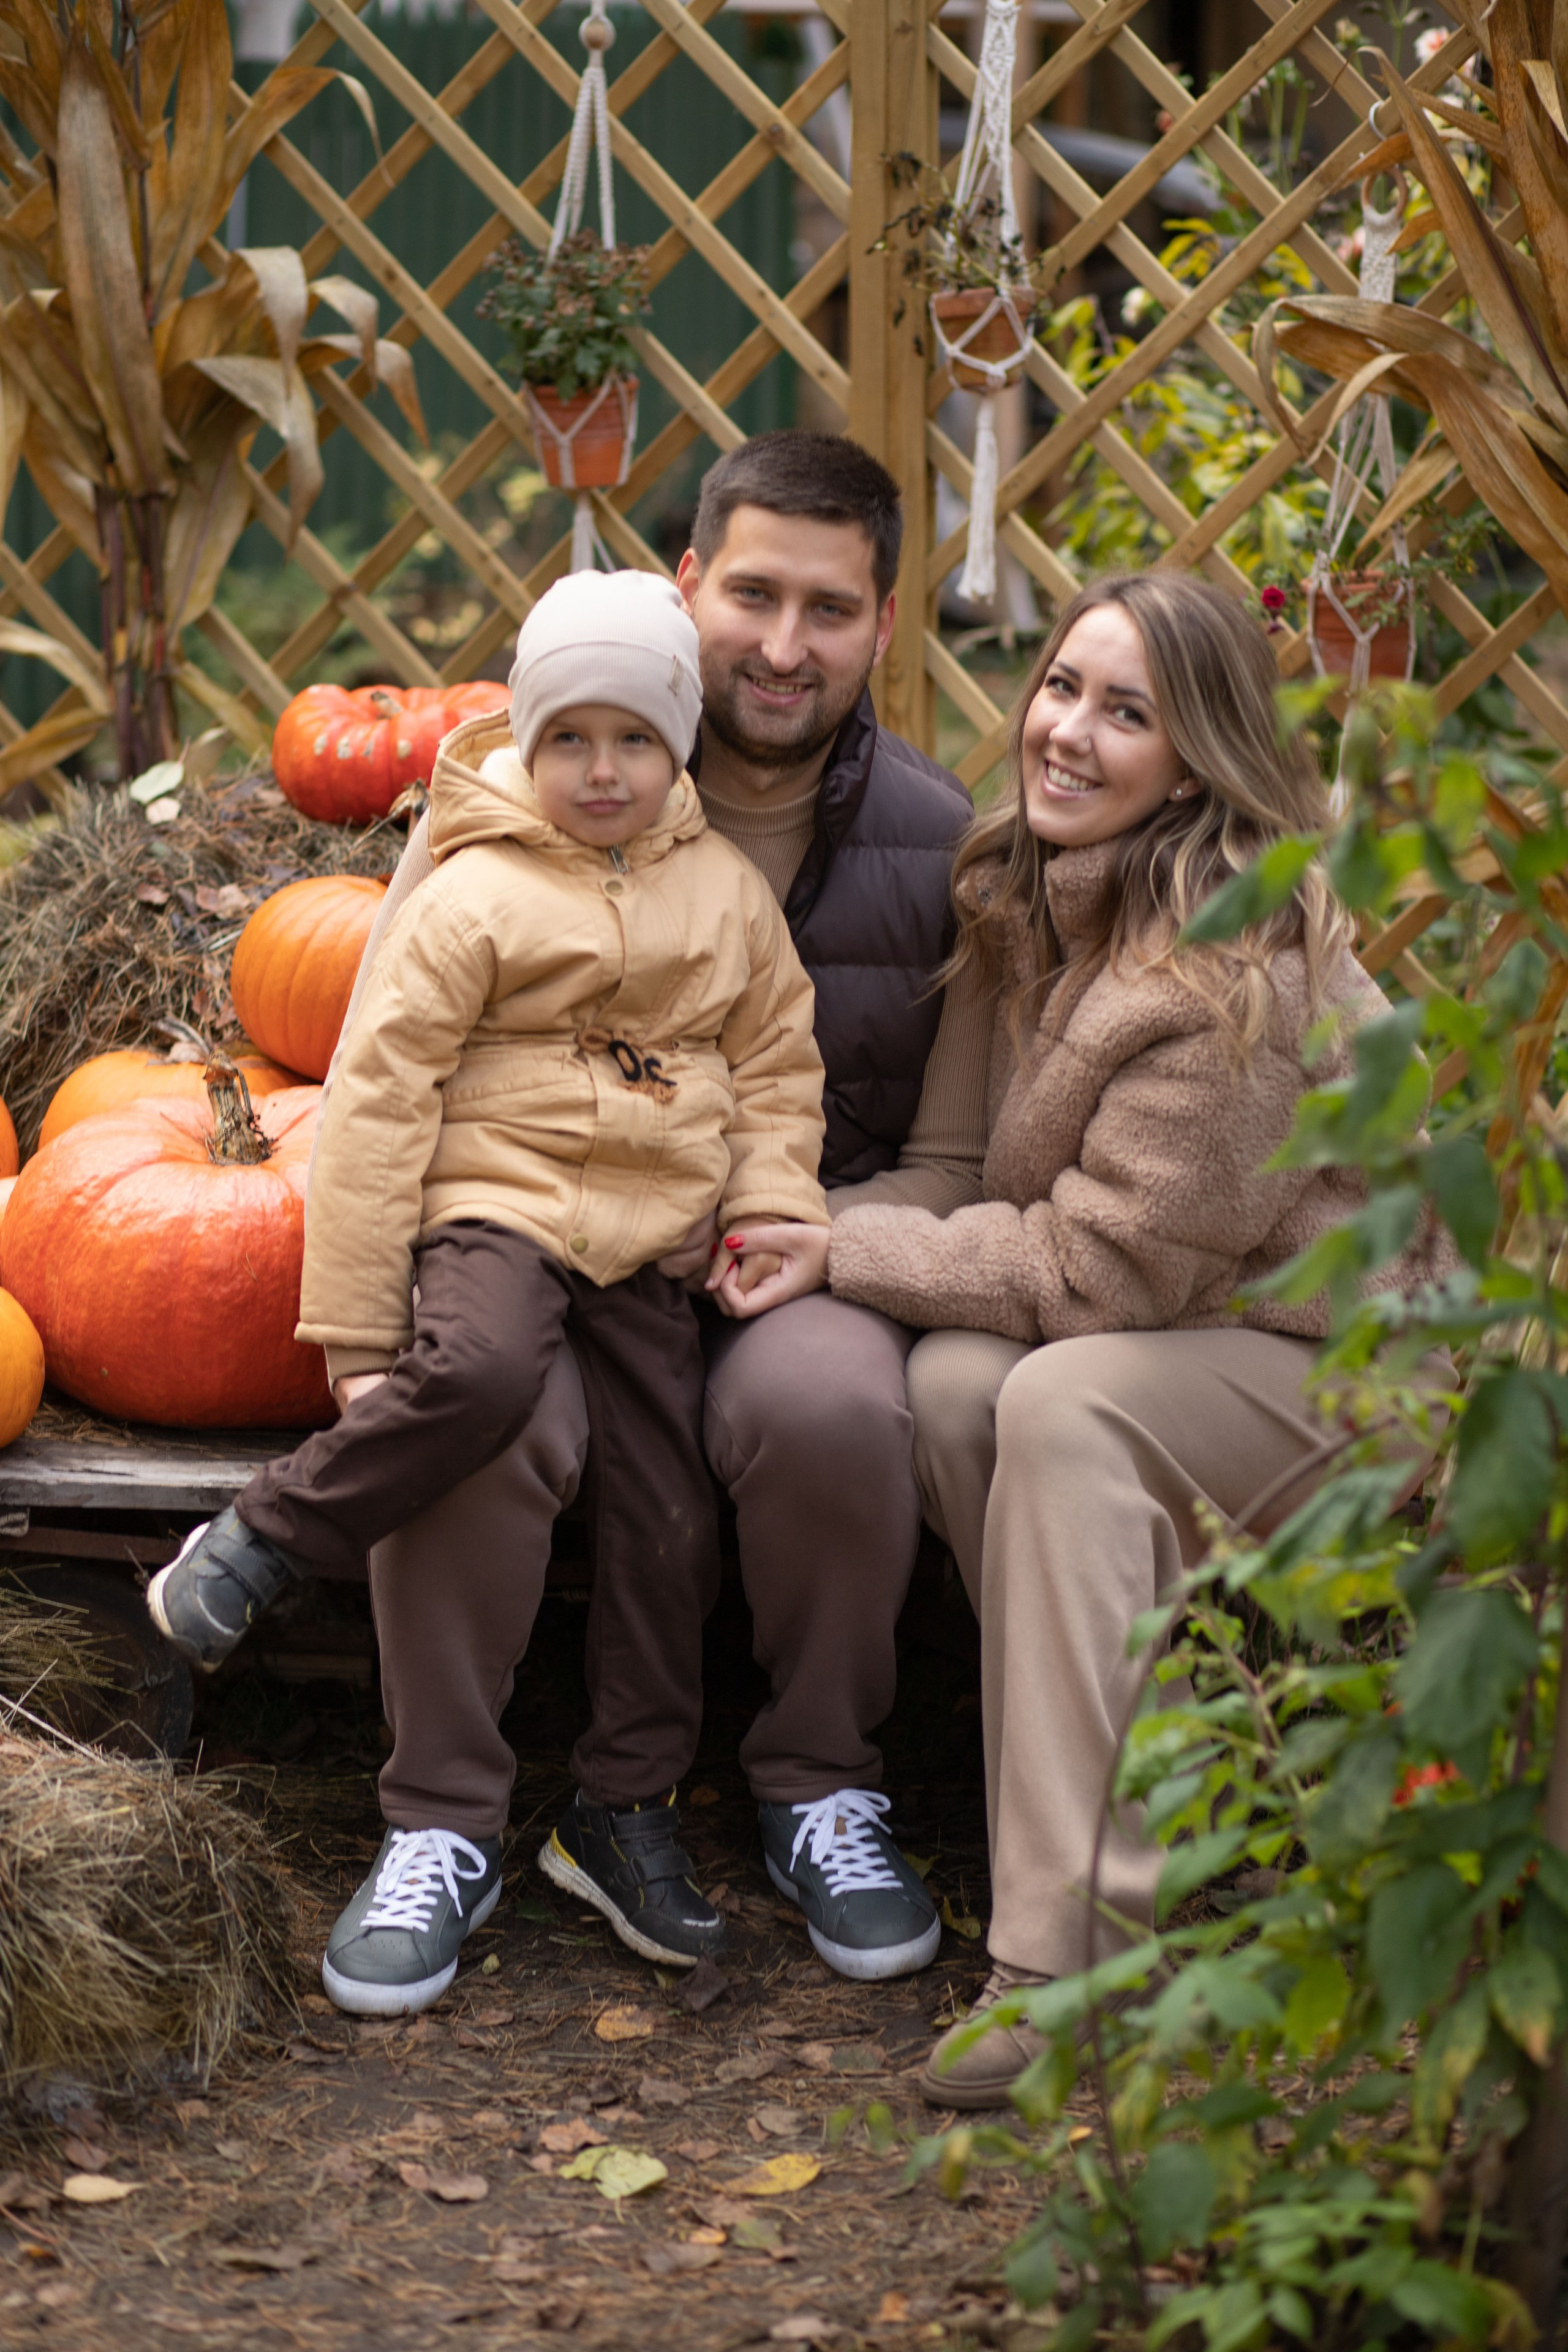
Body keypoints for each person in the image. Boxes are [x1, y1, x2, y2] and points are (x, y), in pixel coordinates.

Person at [714, 569, 1452, 2103]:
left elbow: (1099, 1275)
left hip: (1339, 1365)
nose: (1067, 730)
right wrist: (784, 1218)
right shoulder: (1030, 891)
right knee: (957, 1385)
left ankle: (1066, 1964)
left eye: (1127, 714)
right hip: (1179, 1327)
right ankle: (1166, 1794)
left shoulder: (1231, 972)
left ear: (1193, 764)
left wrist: (843, 1251)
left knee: (1056, 1403)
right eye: (1061, 687)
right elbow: (963, 1175)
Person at [306, 432, 980, 1993]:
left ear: (885, 625)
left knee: (831, 1403)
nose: (783, 644)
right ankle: (441, 1818)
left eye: (829, 609)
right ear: (686, 589)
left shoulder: (937, 847)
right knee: (475, 1404)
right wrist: (360, 1313)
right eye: (752, 594)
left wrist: (793, 1234)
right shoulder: (511, 796)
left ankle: (818, 1785)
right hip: (532, 1239)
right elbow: (376, 1077)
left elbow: (952, 1159)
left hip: (777, 1254)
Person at [149, 568, 831, 2013]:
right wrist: (353, 1328)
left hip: (648, 1239)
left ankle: (622, 1807)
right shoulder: (471, 891)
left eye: (635, 739)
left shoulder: (724, 895)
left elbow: (776, 1064)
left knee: (667, 1519)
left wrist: (769, 1199)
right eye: (569, 737)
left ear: (678, 746)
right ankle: (268, 1538)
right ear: (525, 737)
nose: (603, 769)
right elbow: (375, 1102)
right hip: (493, 1210)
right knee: (474, 1375)